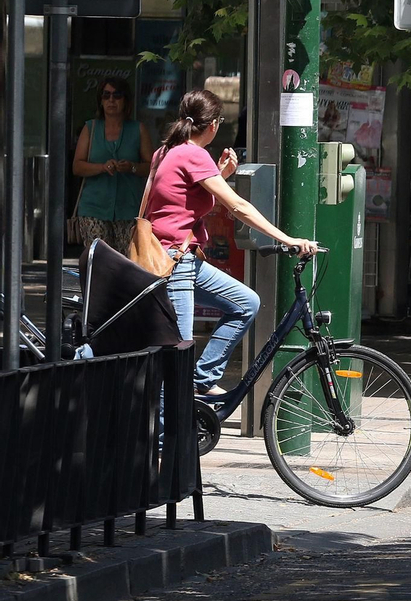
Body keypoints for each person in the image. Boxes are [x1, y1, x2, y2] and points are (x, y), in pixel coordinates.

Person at [141, 90, 316, 397]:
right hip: (174, 264)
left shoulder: (166, 151)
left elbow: (184, 200)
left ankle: (201, 382)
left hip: (178, 259)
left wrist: (221, 174)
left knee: (245, 303)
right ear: (214, 125)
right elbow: (238, 206)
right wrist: (288, 239)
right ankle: (163, 440)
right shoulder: (193, 155)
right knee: (177, 358)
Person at [72, 77, 152, 253]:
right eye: (106, 95)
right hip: (94, 207)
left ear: (126, 100)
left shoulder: (138, 129)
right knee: (99, 261)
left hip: (128, 207)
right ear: (100, 101)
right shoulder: (90, 128)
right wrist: (101, 167)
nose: (111, 100)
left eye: (117, 95)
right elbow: (77, 166)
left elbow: (151, 167)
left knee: (127, 262)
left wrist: (132, 167)